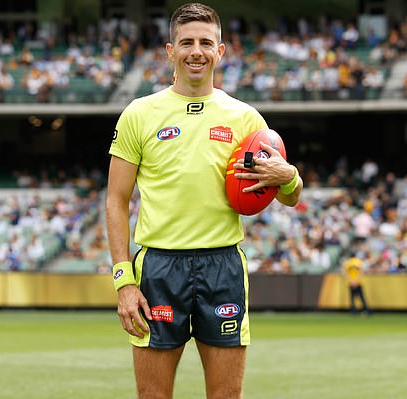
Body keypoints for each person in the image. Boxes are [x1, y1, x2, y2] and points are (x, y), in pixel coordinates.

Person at [105, 3, 303, 398]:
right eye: (187, 42)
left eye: (206, 43)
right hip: (159, 268)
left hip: (222, 265)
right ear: (170, 50)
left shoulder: (246, 118)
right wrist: (124, 281)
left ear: (221, 51)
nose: (197, 51)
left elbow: (290, 195)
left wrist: (290, 177)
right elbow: (115, 199)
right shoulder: (139, 114)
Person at [342, 251, 372, 315]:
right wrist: (356, 281)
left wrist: (351, 281)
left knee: (352, 298)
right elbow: (361, 273)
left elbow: (346, 274)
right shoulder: (359, 262)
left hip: (351, 282)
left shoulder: (347, 262)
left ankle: (353, 311)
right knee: (362, 297)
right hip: (358, 282)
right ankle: (366, 310)